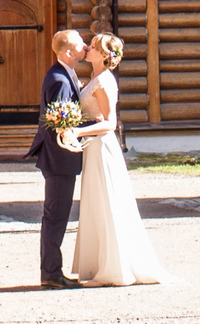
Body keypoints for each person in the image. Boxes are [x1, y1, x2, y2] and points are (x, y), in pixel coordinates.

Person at [69, 34, 170, 287]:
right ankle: (96, 265)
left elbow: (110, 122)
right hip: (92, 149)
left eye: (93, 46)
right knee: (96, 204)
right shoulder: (93, 78)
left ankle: (114, 269)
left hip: (102, 148)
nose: (88, 48)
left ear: (104, 55)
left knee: (108, 202)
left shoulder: (104, 81)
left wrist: (77, 131)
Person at [24, 29, 88, 290]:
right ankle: (50, 274)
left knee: (56, 215)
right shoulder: (59, 79)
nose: (85, 47)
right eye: (80, 44)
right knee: (55, 216)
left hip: (58, 158)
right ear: (69, 51)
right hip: (59, 158)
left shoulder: (63, 74)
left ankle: (52, 271)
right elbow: (60, 121)